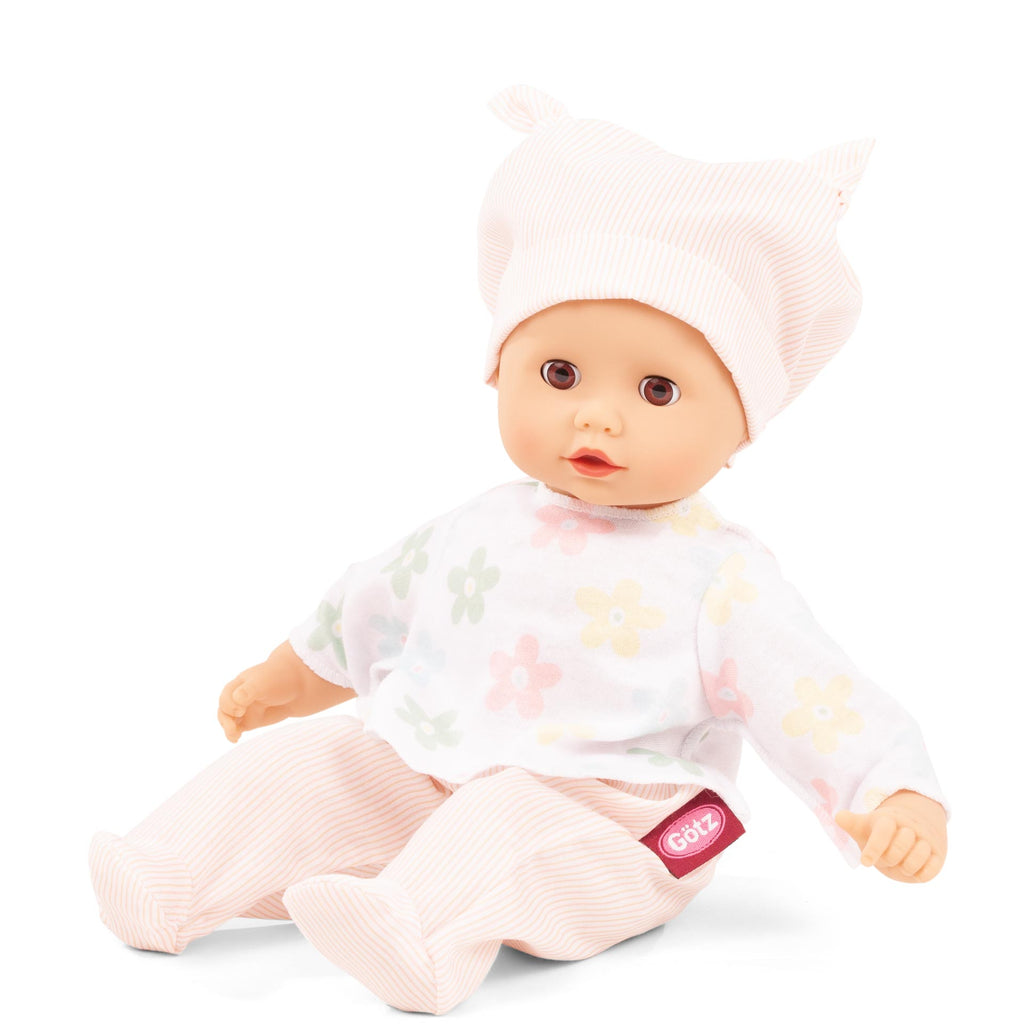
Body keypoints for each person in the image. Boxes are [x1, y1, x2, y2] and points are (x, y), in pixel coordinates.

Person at [90, 85, 949, 1015]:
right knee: (316, 761)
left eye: (657, 390)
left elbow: (813, 691)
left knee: (507, 824)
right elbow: (371, 605)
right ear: (500, 371)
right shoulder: (481, 525)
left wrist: (894, 794)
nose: (597, 415)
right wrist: (288, 675)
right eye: (561, 373)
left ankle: (419, 936)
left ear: (742, 423)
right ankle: (172, 873)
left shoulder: (719, 577)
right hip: (441, 768)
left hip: (618, 819)